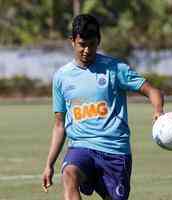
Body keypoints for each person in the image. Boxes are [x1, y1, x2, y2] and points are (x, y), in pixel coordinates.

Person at [41, 14, 164, 200]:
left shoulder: (115, 69)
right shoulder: (61, 77)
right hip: (80, 147)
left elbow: (152, 91)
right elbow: (59, 125)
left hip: (114, 150)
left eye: (91, 44)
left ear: (98, 41)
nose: (87, 50)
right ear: (72, 41)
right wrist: (49, 164)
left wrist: (158, 110)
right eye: (82, 44)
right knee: (69, 174)